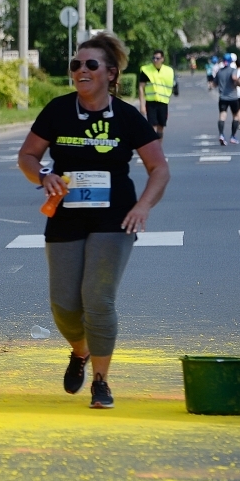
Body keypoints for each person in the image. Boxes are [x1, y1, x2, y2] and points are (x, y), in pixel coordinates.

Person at [18, 33, 170, 409]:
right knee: (64, 305)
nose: (81, 70)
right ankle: (80, 350)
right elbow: (27, 156)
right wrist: (43, 175)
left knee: (98, 298)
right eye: (76, 65)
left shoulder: (127, 117)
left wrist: (143, 207)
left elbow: (159, 169)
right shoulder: (58, 110)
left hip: (114, 217)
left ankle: (101, 381)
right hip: (65, 214)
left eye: (90, 64)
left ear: (111, 73)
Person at [138, 49, 175, 142]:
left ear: (162, 59)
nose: (155, 60)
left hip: (163, 102)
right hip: (151, 102)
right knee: (152, 127)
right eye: (153, 58)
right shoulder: (146, 70)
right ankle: (153, 147)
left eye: (157, 58)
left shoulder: (168, 71)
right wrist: (142, 105)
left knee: (161, 127)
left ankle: (159, 147)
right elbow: (141, 87)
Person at [213, 53, 240, 145]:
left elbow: (214, 84)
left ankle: (221, 134)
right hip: (233, 97)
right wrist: (238, 83)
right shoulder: (233, 70)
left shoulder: (219, 71)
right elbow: (234, 78)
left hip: (222, 97)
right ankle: (233, 136)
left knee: (222, 116)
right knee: (236, 116)